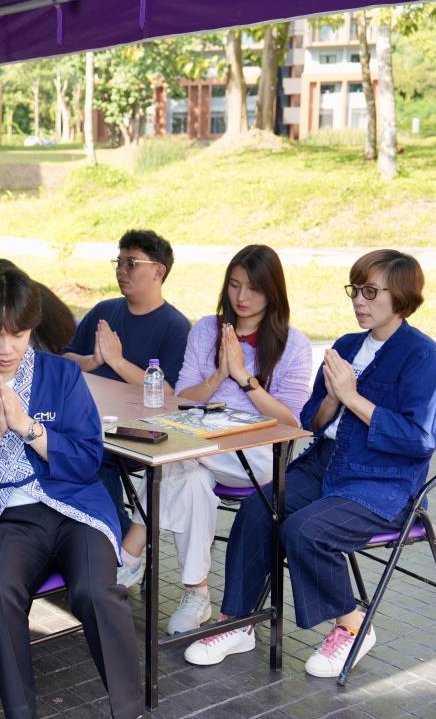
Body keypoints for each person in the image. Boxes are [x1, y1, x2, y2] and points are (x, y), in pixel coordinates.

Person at [183, 250, 436, 679]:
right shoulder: (347, 346)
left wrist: (352, 397)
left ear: (400, 296)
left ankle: (353, 625)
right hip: (327, 464)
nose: (358, 301)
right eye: (355, 290)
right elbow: (311, 421)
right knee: (258, 509)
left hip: (383, 482)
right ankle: (238, 621)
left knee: (304, 529)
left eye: (370, 292)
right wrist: (333, 398)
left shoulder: (423, 356)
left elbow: (419, 439)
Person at [0, 259, 142, 719]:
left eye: (18, 335)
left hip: (74, 511)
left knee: (96, 592)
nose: (6, 348)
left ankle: (130, 712)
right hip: (4, 517)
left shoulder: (62, 376)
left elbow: (86, 461)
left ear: (31, 329)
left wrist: (28, 428)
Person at [116, 245, 313, 634]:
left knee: (172, 456)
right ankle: (197, 592)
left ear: (273, 291)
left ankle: (130, 551)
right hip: (199, 444)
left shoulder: (294, 344)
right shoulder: (207, 329)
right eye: (235, 285)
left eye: (253, 288)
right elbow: (184, 399)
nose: (242, 297)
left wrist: (242, 377)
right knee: (188, 476)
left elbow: (290, 421)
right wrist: (219, 374)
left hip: (258, 454)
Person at [61, 229, 190, 535]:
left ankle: (117, 539)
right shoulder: (104, 311)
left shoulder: (176, 326)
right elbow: (65, 361)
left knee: (92, 454)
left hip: (140, 432)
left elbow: (168, 393)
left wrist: (117, 361)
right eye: (118, 263)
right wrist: (93, 361)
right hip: (90, 420)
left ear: (158, 271)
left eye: (131, 263)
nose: (121, 271)